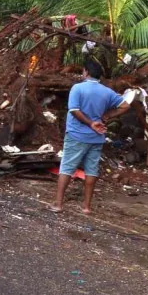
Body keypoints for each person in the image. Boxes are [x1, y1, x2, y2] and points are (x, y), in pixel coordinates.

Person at [52, 60, 131, 214]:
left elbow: (74, 110)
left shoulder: (78, 88)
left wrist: (90, 123)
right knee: (91, 170)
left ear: (86, 72)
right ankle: (87, 207)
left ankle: (58, 204)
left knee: (67, 168)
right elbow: (125, 105)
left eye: (83, 71)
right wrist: (108, 115)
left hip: (77, 134)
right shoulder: (107, 92)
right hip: (97, 138)